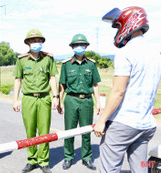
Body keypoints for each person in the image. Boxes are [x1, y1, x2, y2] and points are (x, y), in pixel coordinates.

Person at [94, 6, 161, 173]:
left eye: (117, 26)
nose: (117, 31)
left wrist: (102, 121)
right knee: (140, 168)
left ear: (128, 24)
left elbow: (118, 92)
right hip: (146, 125)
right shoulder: (156, 54)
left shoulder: (126, 53)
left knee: (109, 169)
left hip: (124, 123)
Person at [13, 29, 58, 173]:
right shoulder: (21, 60)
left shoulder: (48, 59)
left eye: (39, 41)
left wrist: (55, 96)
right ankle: (31, 160)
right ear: (28, 43)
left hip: (44, 98)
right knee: (30, 130)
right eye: (33, 41)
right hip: (28, 99)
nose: (36, 43)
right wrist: (15, 100)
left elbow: (52, 78)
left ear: (42, 42)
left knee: (44, 131)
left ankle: (44, 161)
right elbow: (17, 80)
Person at [58, 33, 101, 171]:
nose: (79, 47)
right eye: (76, 45)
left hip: (87, 101)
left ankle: (87, 158)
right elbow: (62, 86)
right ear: (72, 47)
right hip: (71, 99)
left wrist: (98, 103)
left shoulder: (91, 64)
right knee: (69, 131)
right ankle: (68, 157)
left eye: (81, 45)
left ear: (86, 46)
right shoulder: (66, 65)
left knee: (87, 130)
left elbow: (95, 85)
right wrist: (59, 101)